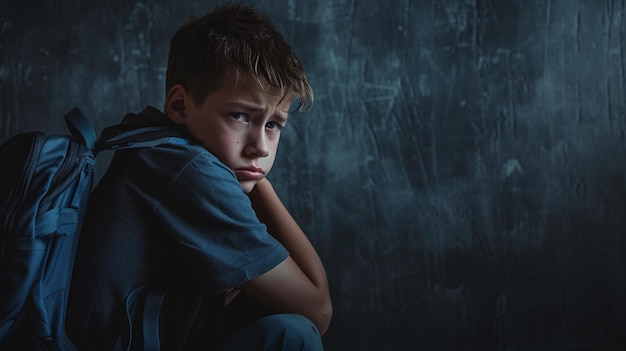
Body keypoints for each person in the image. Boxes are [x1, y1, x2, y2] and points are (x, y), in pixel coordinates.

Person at [66, 3, 332, 350]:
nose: (261, 147)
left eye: (272, 125)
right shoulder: (190, 170)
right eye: (239, 116)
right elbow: (318, 309)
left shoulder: (154, 143)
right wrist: (261, 185)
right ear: (179, 106)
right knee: (294, 335)